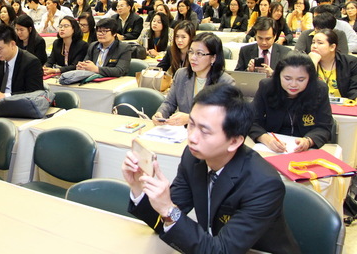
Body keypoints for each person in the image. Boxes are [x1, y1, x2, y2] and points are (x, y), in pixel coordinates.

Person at [123, 84, 300, 254]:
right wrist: (139, 187)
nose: (192, 137)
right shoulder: (193, 157)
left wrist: (169, 210)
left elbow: (221, 251)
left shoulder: (263, 184)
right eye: (191, 124)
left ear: (234, 141)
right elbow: (163, 220)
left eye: (205, 131)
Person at [249, 52, 332, 153]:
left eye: (301, 80)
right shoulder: (267, 87)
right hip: (271, 146)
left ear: (310, 78)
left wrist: (308, 141)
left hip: (305, 149)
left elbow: (324, 127)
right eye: (287, 79)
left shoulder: (319, 90)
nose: (293, 84)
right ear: (278, 75)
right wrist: (266, 139)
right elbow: (251, 120)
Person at [153, 32, 234, 126]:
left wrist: (190, 118)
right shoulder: (181, 75)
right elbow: (169, 103)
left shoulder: (225, 82)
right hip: (181, 131)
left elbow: (224, 117)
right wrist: (160, 114)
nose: (192, 58)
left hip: (208, 133)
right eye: (191, 52)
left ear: (213, 58)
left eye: (199, 53)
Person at [0, 23, 44, 100]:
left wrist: (6, 96)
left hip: (21, 104)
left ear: (12, 44)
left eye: (0, 49)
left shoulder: (31, 62)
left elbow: (35, 93)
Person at [308, 29, 357, 99]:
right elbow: (306, 91)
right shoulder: (305, 62)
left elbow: (354, 90)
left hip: (344, 104)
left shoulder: (351, 63)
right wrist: (313, 63)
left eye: (320, 43)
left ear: (332, 47)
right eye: (313, 42)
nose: (314, 46)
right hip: (315, 104)